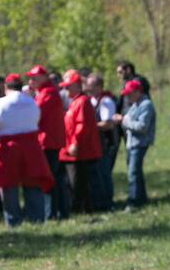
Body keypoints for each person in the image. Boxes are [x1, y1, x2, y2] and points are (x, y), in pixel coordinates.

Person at [0, 73, 53, 226]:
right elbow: (37, 119)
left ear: (5, 87)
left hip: (8, 148)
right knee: (33, 182)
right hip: (31, 147)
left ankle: (13, 220)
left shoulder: (0, 103)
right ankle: (37, 219)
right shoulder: (31, 101)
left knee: (8, 184)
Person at [58, 69, 103, 214]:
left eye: (68, 86)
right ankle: (83, 208)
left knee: (77, 181)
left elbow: (82, 125)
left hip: (79, 151)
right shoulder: (75, 101)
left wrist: (75, 143)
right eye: (64, 87)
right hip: (74, 150)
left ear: (77, 86)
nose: (65, 90)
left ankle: (80, 209)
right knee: (78, 181)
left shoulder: (82, 102)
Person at [28, 64, 69, 220]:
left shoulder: (48, 93)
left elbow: (35, 114)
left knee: (49, 178)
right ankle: (59, 212)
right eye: (30, 78)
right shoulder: (44, 92)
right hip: (49, 141)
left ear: (44, 78)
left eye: (34, 78)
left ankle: (52, 213)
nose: (31, 81)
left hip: (48, 142)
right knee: (55, 178)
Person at [111, 78, 154, 212]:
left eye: (130, 93)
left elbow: (142, 126)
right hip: (132, 143)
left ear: (137, 91)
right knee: (136, 172)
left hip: (139, 143)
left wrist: (123, 120)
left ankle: (133, 201)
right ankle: (141, 199)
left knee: (133, 173)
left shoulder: (146, 105)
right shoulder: (135, 104)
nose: (127, 96)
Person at [85, 73, 118, 206]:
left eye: (91, 86)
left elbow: (108, 124)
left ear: (99, 86)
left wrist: (89, 127)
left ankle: (107, 202)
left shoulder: (106, 102)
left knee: (104, 172)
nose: (88, 88)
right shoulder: (92, 100)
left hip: (105, 143)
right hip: (96, 143)